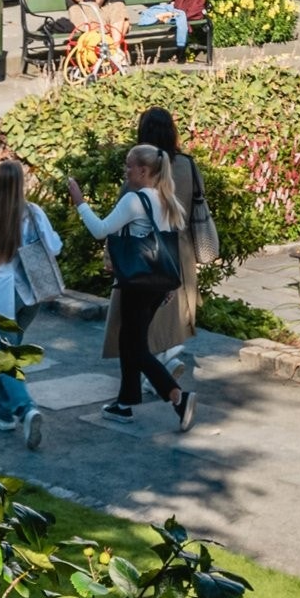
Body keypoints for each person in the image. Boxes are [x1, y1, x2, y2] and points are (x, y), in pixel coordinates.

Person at [68, 144, 196, 429]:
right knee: (130, 342)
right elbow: (168, 247)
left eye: (129, 166)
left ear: (143, 170)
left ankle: (177, 396)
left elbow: (100, 230)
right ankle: (124, 403)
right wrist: (169, 286)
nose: (126, 171)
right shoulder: (167, 199)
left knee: (135, 346)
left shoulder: (134, 200)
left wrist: (80, 202)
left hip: (138, 282)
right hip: (158, 283)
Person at [0, 158, 61, 448]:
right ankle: (3, 414)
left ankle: (25, 408)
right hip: (29, 294)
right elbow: (54, 247)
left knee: (1, 356)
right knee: (9, 351)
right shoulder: (33, 212)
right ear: (21, 184)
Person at [103, 108, 204, 374]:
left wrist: (110, 255)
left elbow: (120, 218)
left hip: (144, 251)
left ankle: (158, 373)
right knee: (170, 315)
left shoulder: (142, 169)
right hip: (179, 250)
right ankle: (167, 360)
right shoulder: (187, 165)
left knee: (139, 320)